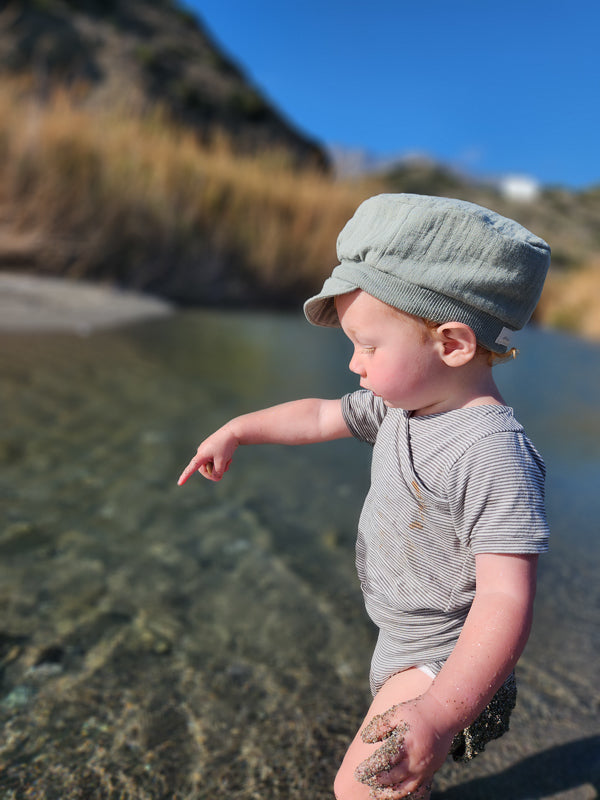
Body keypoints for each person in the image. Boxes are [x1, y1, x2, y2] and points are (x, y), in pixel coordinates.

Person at [178, 194, 551, 799]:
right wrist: (240, 428)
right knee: (402, 780)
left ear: (451, 344)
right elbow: (320, 416)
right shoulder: (403, 404)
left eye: (369, 346)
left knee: (359, 787)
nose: (354, 363)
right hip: (402, 632)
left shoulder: (491, 452)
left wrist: (439, 713)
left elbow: (508, 600)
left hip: (449, 651)